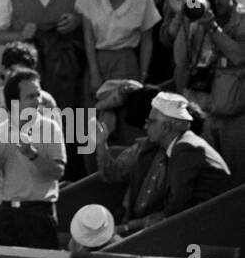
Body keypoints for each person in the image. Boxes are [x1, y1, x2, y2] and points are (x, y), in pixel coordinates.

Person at [97, 91, 233, 236]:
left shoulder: (186, 149)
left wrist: (127, 228)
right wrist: (101, 145)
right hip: (185, 227)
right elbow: (112, 173)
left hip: (202, 232)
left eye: (151, 121)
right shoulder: (156, 146)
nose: (145, 126)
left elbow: (175, 209)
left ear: (166, 127)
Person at [0, 68, 67, 248]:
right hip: (7, 213)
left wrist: (32, 154)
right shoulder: (0, 130)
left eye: (38, 95)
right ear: (15, 102)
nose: (38, 101)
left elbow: (58, 172)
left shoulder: (50, 127)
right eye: (31, 97)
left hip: (39, 213)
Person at [174, 0, 245, 174]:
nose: (211, 2)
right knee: (209, 176)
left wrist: (213, 27)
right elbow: (181, 60)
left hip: (234, 116)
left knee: (237, 175)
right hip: (204, 114)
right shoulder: (196, 20)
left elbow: (239, 55)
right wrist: (185, 19)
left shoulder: (242, 20)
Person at [79, 0, 159, 95]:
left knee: (124, 110)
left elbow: (147, 40)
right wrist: (94, 71)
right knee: (92, 111)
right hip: (98, 59)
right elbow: (88, 36)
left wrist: (143, 74)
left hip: (126, 60)